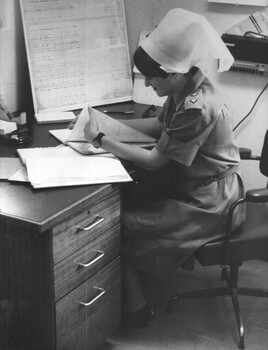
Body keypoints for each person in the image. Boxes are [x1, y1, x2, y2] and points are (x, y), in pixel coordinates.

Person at [82, 8, 245, 328]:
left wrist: (101, 139)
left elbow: (155, 160)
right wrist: (111, 123)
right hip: (197, 186)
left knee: (120, 227)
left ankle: (136, 310)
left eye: (151, 78)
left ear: (172, 73)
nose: (146, 83)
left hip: (211, 202)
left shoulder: (196, 107)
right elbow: (160, 128)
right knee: (131, 202)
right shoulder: (188, 84)